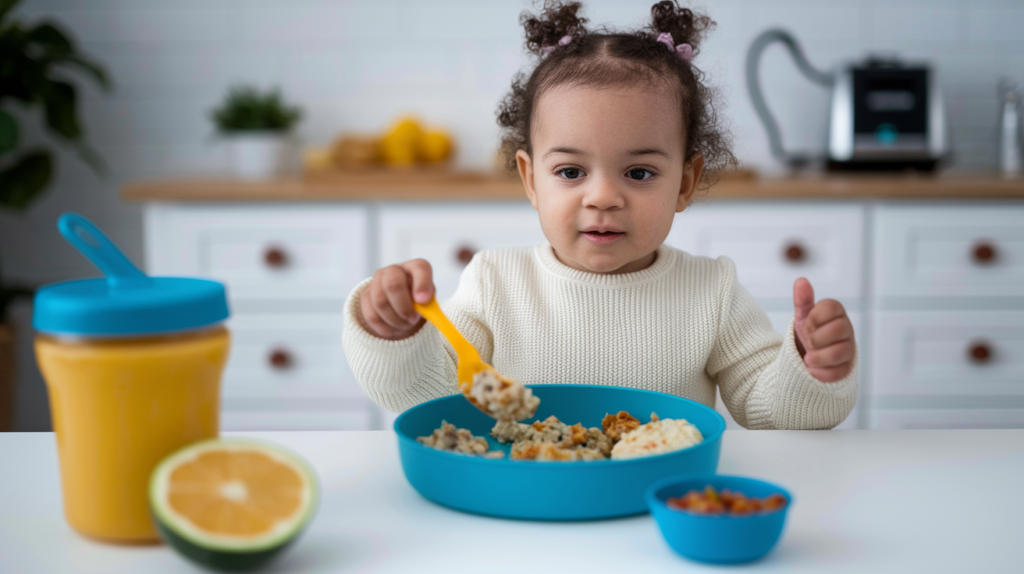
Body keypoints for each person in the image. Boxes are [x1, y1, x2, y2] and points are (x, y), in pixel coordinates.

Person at [342, 0, 857, 430]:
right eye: (570, 172)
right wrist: (394, 334)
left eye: (638, 173)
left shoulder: (712, 292)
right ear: (530, 180)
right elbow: (424, 396)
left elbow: (768, 411)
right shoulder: (496, 283)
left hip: (661, 515)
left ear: (685, 182)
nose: (603, 197)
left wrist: (812, 370)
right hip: (527, 512)